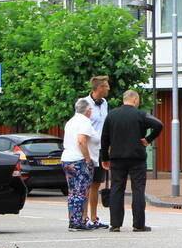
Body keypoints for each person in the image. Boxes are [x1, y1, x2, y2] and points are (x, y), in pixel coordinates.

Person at [99, 90, 163, 232]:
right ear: (134, 100)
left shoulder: (112, 115)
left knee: (117, 189)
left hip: (117, 158)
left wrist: (105, 157)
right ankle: (138, 224)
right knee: (138, 190)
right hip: (137, 158)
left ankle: (115, 224)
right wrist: (148, 139)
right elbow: (159, 124)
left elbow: (104, 138)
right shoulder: (140, 114)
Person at [61, 98, 98, 232]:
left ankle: (72, 219)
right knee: (81, 191)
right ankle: (78, 222)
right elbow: (81, 140)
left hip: (66, 159)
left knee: (72, 192)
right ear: (88, 110)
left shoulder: (70, 121)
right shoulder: (85, 121)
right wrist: (87, 158)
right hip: (78, 160)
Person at [82, 75, 111, 229]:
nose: (108, 88)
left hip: (100, 149)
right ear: (98, 88)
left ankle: (94, 217)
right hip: (88, 150)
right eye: (106, 86)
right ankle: (84, 217)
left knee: (96, 184)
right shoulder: (84, 103)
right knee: (86, 183)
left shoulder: (105, 103)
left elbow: (105, 126)